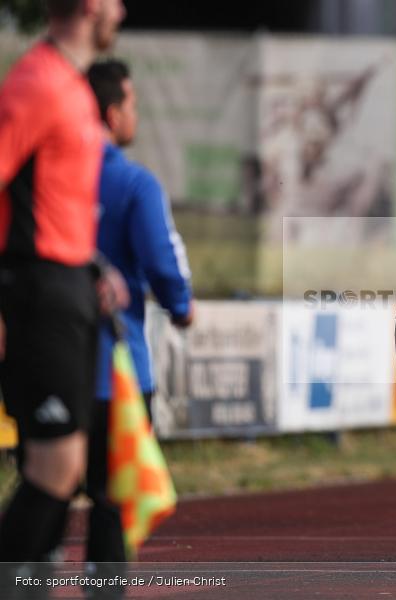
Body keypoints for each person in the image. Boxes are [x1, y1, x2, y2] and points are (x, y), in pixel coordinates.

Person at [0, 0, 126, 592]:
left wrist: (94, 266)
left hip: (69, 287)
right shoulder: (37, 83)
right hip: (40, 291)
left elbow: (57, 203)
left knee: (63, 467)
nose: (121, 10)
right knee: (53, 469)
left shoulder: (74, 88)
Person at [83, 58, 194, 596]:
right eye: (131, 104)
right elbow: (164, 264)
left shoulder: (42, 174)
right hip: (114, 373)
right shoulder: (132, 181)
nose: (137, 114)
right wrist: (181, 306)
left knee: (45, 490)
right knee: (112, 501)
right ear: (111, 111)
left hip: (45, 362)